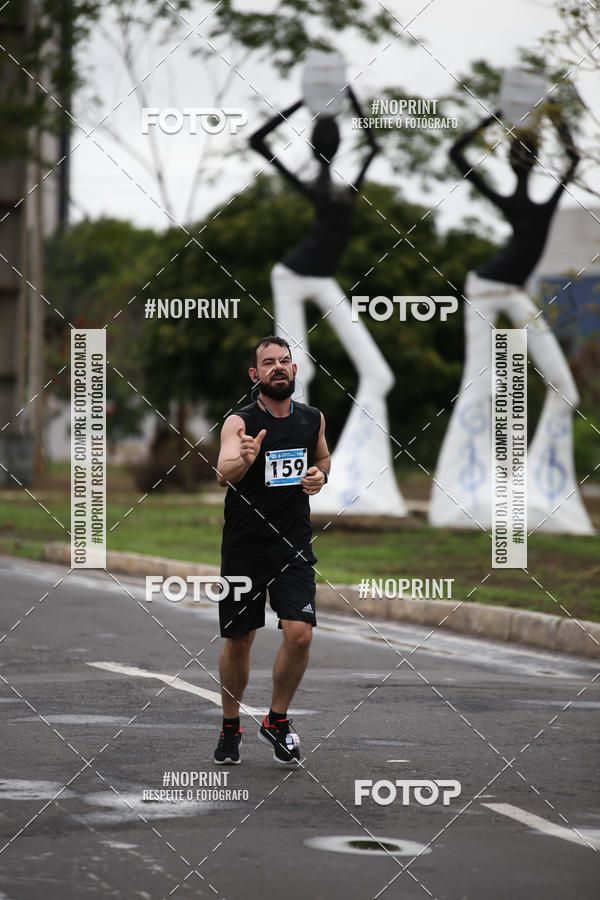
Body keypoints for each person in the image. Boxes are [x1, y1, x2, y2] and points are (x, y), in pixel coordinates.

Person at [429, 110, 593, 534]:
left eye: (526, 155)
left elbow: (574, 161)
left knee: (565, 388)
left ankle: (540, 488)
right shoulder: (519, 200)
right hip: (484, 290)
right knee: (477, 385)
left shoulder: (544, 197)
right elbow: (456, 152)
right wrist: (499, 117)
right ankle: (461, 493)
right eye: (522, 155)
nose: (525, 162)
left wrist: (552, 116)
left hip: (515, 293)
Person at [248, 89, 406, 516]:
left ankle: (358, 480)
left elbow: (372, 143)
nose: (335, 142)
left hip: (322, 279)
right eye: (329, 137)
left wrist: (344, 97)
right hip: (292, 277)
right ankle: (287, 483)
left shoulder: (346, 184)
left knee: (378, 373)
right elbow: (257, 141)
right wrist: (303, 102)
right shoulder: (314, 183)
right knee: (297, 372)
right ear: (320, 145)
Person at [213, 335, 330, 766]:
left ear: (294, 370)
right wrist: (243, 459)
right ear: (255, 374)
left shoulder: (311, 418)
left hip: (293, 544)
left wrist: (319, 476)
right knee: (239, 641)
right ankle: (230, 725)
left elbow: (322, 458)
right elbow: (222, 473)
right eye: (269, 363)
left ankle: (276, 720)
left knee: (299, 633)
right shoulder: (238, 423)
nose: (278, 368)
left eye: (285, 361)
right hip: (245, 548)